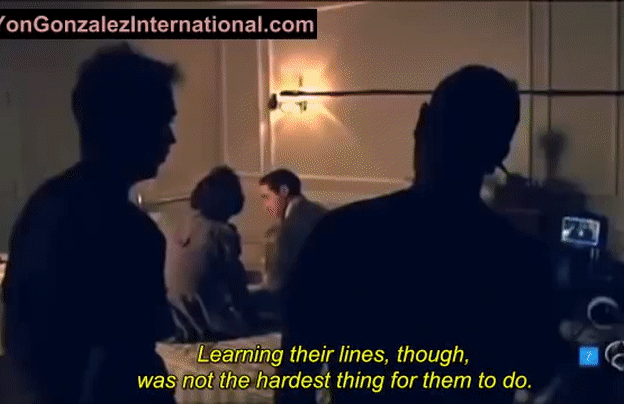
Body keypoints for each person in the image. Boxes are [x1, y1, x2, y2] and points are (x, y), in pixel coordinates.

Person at [276, 66, 568, 404]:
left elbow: (295, 377)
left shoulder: (339, 235)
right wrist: (598, 354)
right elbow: (542, 366)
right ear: (499, 154)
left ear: (422, 123)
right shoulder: (520, 260)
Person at [1, 43, 179, 404]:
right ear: (125, 126)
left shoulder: (43, 204)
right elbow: (128, 359)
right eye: (161, 122)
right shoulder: (128, 232)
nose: (171, 138)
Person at [164, 166, 260, 341]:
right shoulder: (222, 233)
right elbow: (237, 288)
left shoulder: (180, 226)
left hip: (175, 319)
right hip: (207, 322)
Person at [258, 169, 327, 297]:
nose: (265, 205)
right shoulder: (317, 211)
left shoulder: (290, 226)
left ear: (284, 191)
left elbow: (277, 282)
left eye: (267, 197)